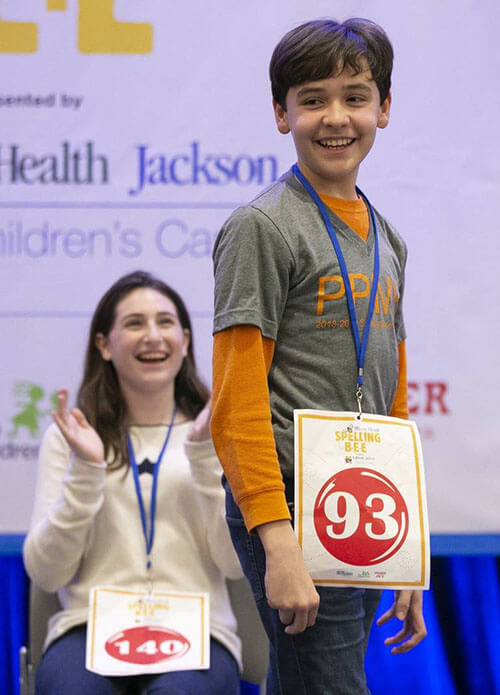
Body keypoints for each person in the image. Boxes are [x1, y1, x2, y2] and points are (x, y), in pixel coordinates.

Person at [211, 18, 427, 695]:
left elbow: (389, 389)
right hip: (294, 504)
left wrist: (405, 553)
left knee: (306, 682)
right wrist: (278, 542)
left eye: (355, 96)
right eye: (313, 98)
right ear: (283, 113)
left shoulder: (386, 235)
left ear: (384, 108)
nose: (336, 117)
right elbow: (236, 400)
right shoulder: (263, 226)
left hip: (363, 501)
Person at [23, 271, 242, 695]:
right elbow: (47, 574)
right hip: (89, 628)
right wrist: (87, 471)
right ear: (103, 345)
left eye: (165, 322)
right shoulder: (71, 437)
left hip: (199, 628)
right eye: (134, 323)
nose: (153, 336)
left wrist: (203, 457)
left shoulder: (214, 432)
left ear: (185, 339)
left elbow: (235, 564)